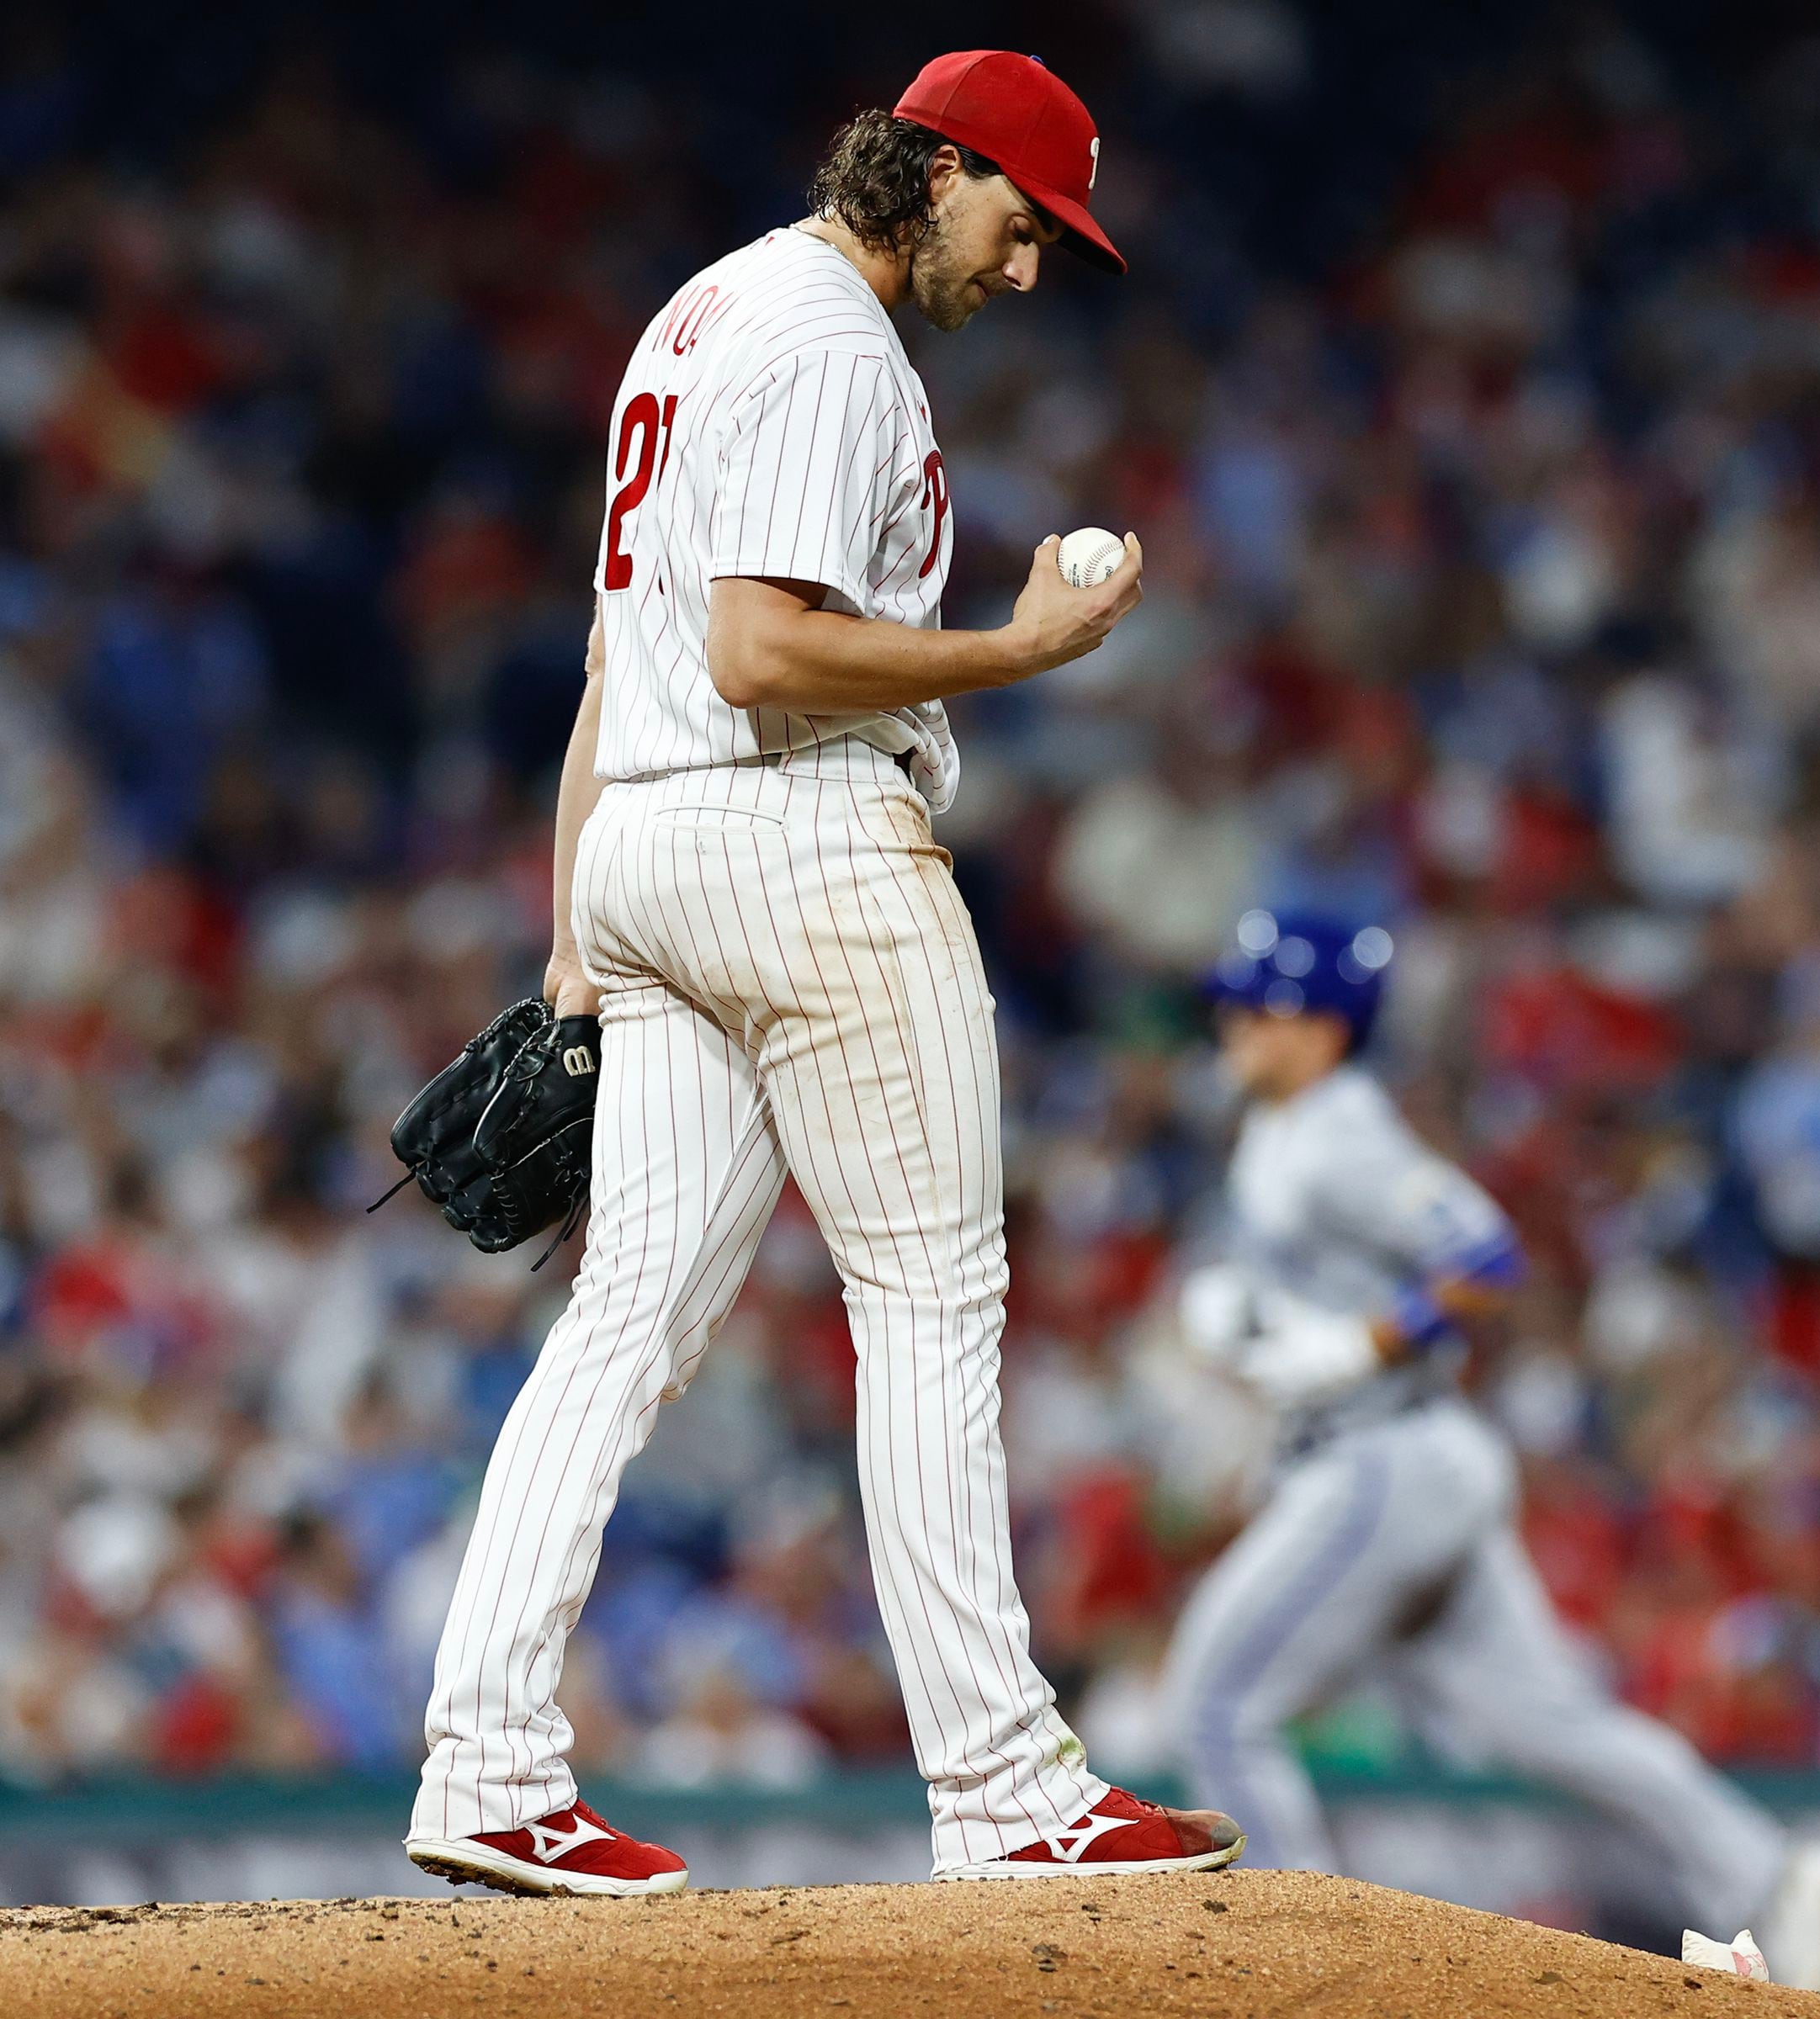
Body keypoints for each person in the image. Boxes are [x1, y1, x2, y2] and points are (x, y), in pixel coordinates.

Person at [402, 50, 1243, 1895]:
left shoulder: (698, 313)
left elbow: (628, 668)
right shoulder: (832, 347)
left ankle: (483, 1766)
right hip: (797, 845)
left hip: (649, 834)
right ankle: (1011, 1795)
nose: (1027, 273)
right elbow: (766, 651)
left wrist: (574, 932)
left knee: (625, 1317)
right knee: (934, 1294)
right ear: (931, 168)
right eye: (1023, 224)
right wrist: (1019, 651)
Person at [1161, 909, 1820, 1991]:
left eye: (1265, 1006)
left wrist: (1364, 1342)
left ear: (1328, 1026)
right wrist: (1245, 1309)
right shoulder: (1281, 1126)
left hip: (1381, 1461)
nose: (1236, 1022)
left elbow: (1482, 1252)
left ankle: (1293, 1974)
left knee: (1213, 1704)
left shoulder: (1340, 1128)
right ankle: (1769, 1874)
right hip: (1399, 1462)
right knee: (1551, 1727)